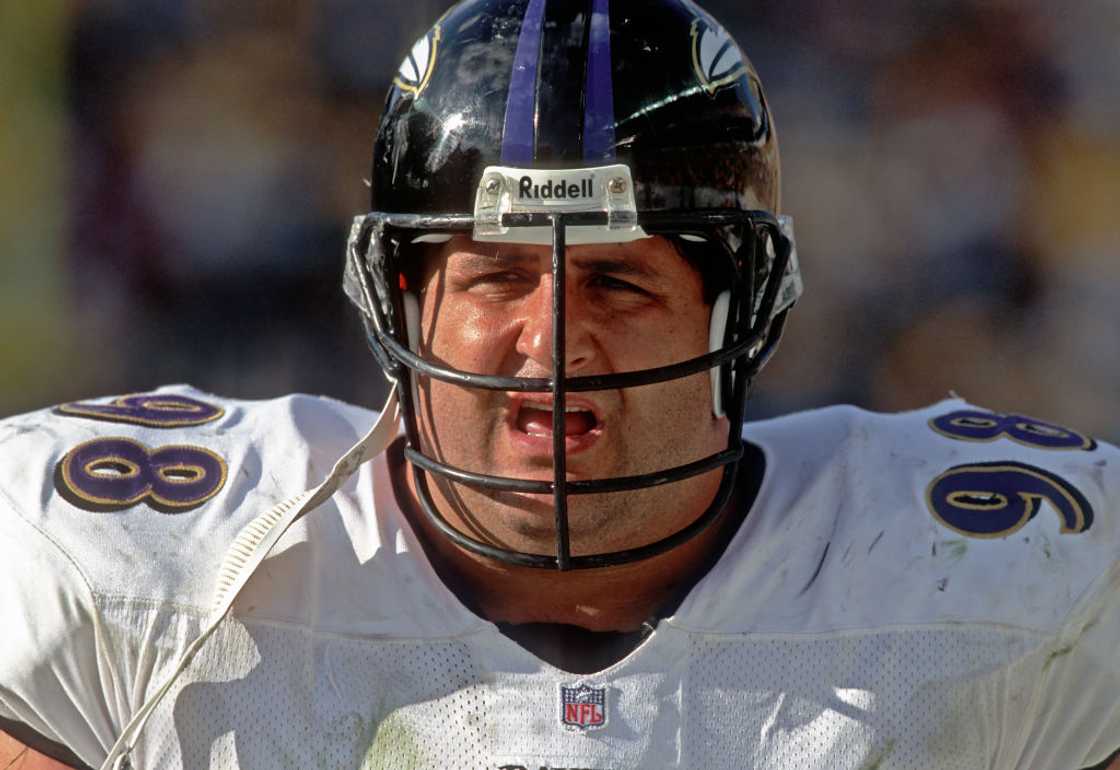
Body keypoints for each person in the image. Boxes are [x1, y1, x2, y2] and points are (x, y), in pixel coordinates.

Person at [1, 0, 1117, 768]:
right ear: (400, 301)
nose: (552, 341)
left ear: (739, 309)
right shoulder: (148, 572)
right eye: (494, 278)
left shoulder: (999, 578)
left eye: (621, 284)